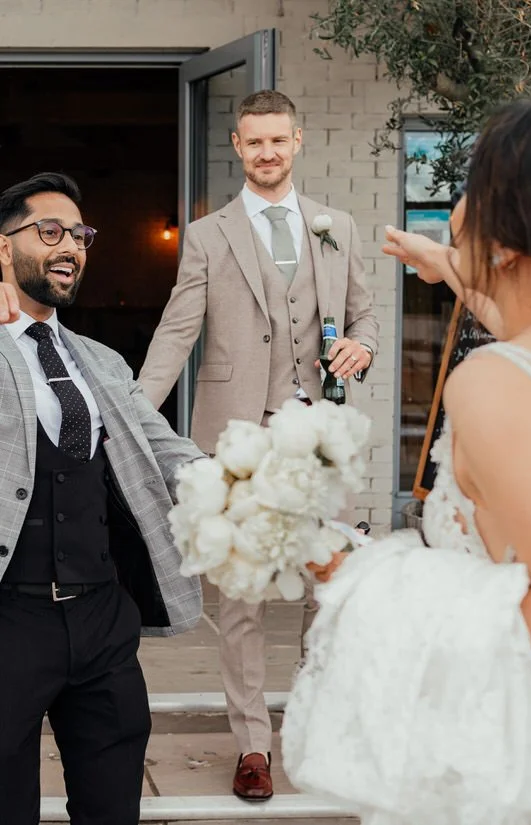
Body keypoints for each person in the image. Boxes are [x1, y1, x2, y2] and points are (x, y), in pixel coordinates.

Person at [283, 98, 531, 824]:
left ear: (509, 237)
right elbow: (520, 311)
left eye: (472, 187)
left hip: (525, 751)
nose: (455, 205)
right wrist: (449, 265)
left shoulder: (497, 379)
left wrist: (369, 579)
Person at [139, 89, 379, 800]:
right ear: (238, 148)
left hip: (322, 440)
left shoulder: (337, 227)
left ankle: (311, 725)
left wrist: (361, 346)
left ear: (296, 141)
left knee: (328, 589)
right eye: (254, 142)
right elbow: (177, 331)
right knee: (241, 597)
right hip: (238, 438)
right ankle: (252, 745)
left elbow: (363, 314)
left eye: (278, 140)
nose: (267, 152)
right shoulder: (209, 235)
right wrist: (127, 413)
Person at [0, 172, 204, 825]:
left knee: (114, 806)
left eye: (80, 235)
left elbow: (165, 449)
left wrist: (246, 485)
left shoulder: (101, 360)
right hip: (10, 618)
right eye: (50, 231)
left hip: (101, 619)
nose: (72, 246)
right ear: (3, 247)